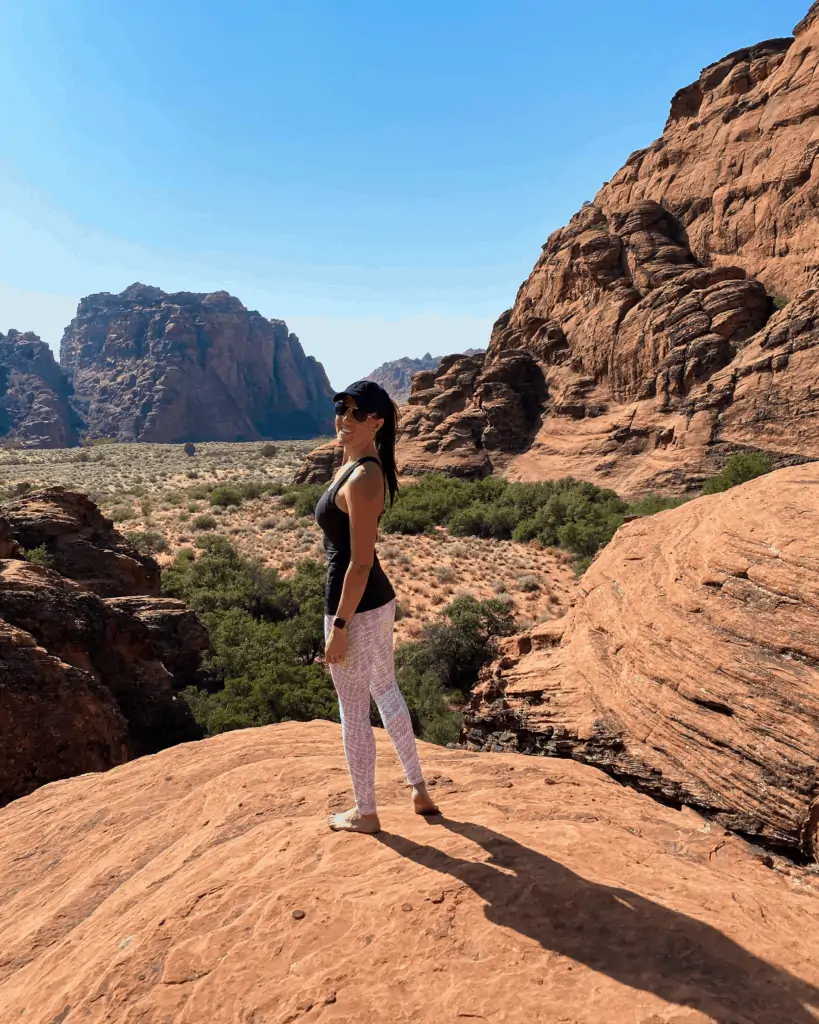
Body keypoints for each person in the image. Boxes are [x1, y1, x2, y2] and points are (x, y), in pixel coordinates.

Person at [315, 379, 439, 834]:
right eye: (341, 410)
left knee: (353, 710)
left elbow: (361, 562)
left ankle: (366, 813)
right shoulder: (354, 465)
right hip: (375, 603)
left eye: (356, 414)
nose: (344, 420)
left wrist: (340, 625)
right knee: (386, 690)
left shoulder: (365, 476)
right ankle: (418, 789)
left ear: (377, 423)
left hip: (356, 604)